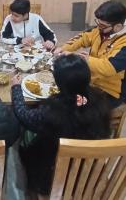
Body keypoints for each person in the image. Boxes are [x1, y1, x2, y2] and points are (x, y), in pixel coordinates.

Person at [11, 54, 111, 195]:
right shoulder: (100, 101)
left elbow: (23, 115)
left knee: (23, 135)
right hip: (87, 173)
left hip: (52, 175)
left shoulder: (53, 110)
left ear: (59, 83)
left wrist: (16, 88)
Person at [55, 0, 126, 108]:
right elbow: (82, 38)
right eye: (97, 22)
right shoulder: (100, 29)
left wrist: (84, 59)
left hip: (110, 91)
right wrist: (63, 48)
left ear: (118, 27)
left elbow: (109, 67)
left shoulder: (123, 42)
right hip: (92, 81)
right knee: (63, 92)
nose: (98, 27)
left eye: (102, 25)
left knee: (77, 107)